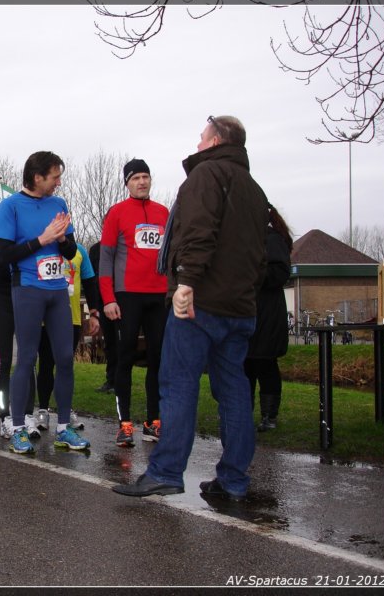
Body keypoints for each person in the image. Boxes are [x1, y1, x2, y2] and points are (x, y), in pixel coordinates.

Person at [113, 115, 268, 501]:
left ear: (216, 141)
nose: (196, 145)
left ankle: (166, 471)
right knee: (233, 389)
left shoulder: (206, 175)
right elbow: (260, 254)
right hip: (241, 306)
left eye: (201, 138)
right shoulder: (254, 189)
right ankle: (233, 479)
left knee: (178, 384)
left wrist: (186, 283)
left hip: (201, 302)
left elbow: (197, 232)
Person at [0, 151, 90, 454]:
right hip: (28, 289)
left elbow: (70, 250)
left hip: (58, 289)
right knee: (26, 358)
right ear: (37, 177)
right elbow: (1, 257)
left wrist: (62, 240)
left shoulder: (58, 204)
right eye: (55, 176)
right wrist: (42, 239)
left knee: (64, 358)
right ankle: (18, 428)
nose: (59, 182)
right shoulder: (9, 207)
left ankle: (63, 428)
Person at [99, 159, 169, 447]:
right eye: (136, 177)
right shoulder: (116, 213)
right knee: (124, 357)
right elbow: (106, 259)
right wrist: (108, 299)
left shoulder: (164, 213)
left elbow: (172, 255)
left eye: (146, 177)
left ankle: (153, 422)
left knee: (158, 359)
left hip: (159, 295)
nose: (142, 182)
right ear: (127, 183)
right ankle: (124, 423)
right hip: (127, 295)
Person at [32, 241, 100, 432]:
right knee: (46, 363)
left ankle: (65, 410)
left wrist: (94, 313)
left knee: (66, 365)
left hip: (72, 318)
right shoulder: (43, 247)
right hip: (46, 317)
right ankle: (43, 410)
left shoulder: (79, 251)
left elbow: (89, 281)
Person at [245, 205, 292, 432]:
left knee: (265, 364)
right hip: (247, 310)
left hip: (267, 313)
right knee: (245, 365)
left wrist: (251, 273)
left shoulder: (272, 239)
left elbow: (280, 273)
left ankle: (269, 416)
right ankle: (244, 414)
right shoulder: (245, 238)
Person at [89, 240, 118, 395]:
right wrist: (95, 307)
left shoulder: (122, 247)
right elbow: (93, 279)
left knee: (122, 343)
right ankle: (111, 379)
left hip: (122, 299)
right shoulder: (95, 250)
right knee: (109, 342)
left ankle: (120, 381)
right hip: (103, 302)